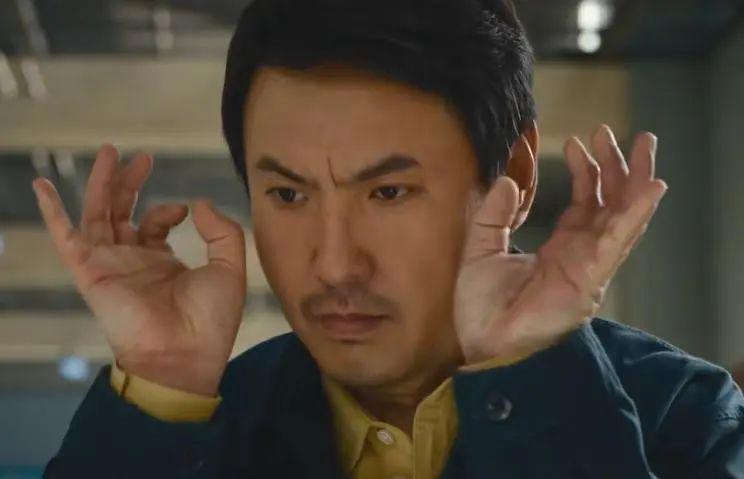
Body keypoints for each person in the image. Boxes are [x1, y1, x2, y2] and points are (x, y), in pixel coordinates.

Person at [35, 0, 743, 477]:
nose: (335, 265)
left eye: (388, 193)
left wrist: (534, 384)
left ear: (515, 174)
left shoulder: (680, 415)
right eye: (288, 195)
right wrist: (158, 392)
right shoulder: (188, 427)